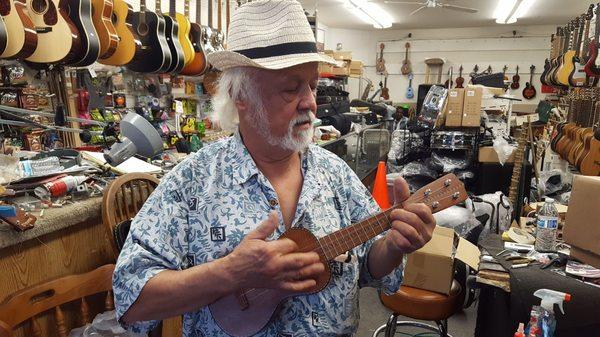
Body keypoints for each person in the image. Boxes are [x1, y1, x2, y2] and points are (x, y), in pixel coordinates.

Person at [112, 0, 436, 336]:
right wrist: (229, 273)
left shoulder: (336, 175)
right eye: (290, 88)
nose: (311, 102)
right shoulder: (192, 182)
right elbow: (131, 299)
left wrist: (395, 245)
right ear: (241, 95)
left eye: (312, 85)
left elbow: (370, 265)